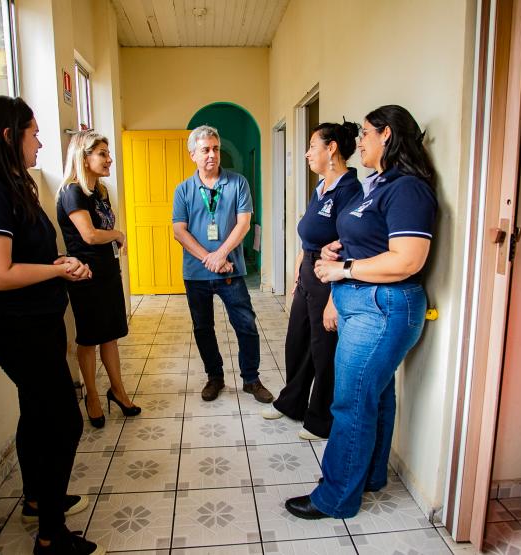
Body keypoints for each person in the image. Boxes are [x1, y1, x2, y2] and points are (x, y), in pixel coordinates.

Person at [0, 96, 104, 555]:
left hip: (36, 321)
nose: (39, 142)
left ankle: (38, 499)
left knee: (37, 413)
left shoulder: (11, 187)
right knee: (63, 422)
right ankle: (51, 536)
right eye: (33, 133)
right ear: (7, 136)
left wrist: (58, 263)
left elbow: (23, 258)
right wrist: (58, 271)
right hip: (17, 328)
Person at [285, 105, 437, 520]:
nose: (360, 141)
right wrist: (341, 248)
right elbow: (372, 238)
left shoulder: (407, 189)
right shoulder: (378, 184)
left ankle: (335, 497)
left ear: (387, 135)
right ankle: (368, 475)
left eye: (367, 133)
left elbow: (408, 259)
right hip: (365, 305)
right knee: (377, 396)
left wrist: (344, 268)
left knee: (349, 403)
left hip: (382, 309)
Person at [261, 121, 361, 440]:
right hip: (308, 273)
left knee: (323, 348)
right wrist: (298, 268)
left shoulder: (350, 190)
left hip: (329, 278)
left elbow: (353, 242)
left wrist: (334, 297)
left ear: (331, 149)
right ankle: (292, 403)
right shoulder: (320, 188)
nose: (306, 153)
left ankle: (321, 420)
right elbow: (310, 234)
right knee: (297, 341)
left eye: (312, 146)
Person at [172, 125, 274, 404]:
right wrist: (210, 257)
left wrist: (222, 254)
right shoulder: (184, 190)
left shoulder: (238, 182)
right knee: (203, 327)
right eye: (205, 149)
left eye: (215, 148)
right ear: (193, 154)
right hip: (196, 273)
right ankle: (215, 377)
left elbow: (244, 223)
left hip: (233, 269)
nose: (212, 155)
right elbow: (179, 230)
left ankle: (251, 379)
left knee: (246, 324)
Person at [56, 130, 140, 429]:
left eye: (107, 153)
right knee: (90, 337)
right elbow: (90, 235)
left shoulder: (100, 192)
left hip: (107, 271)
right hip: (85, 274)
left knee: (110, 334)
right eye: (102, 154)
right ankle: (92, 396)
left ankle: (117, 390)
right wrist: (118, 235)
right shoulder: (72, 192)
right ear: (84, 156)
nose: (109, 159)